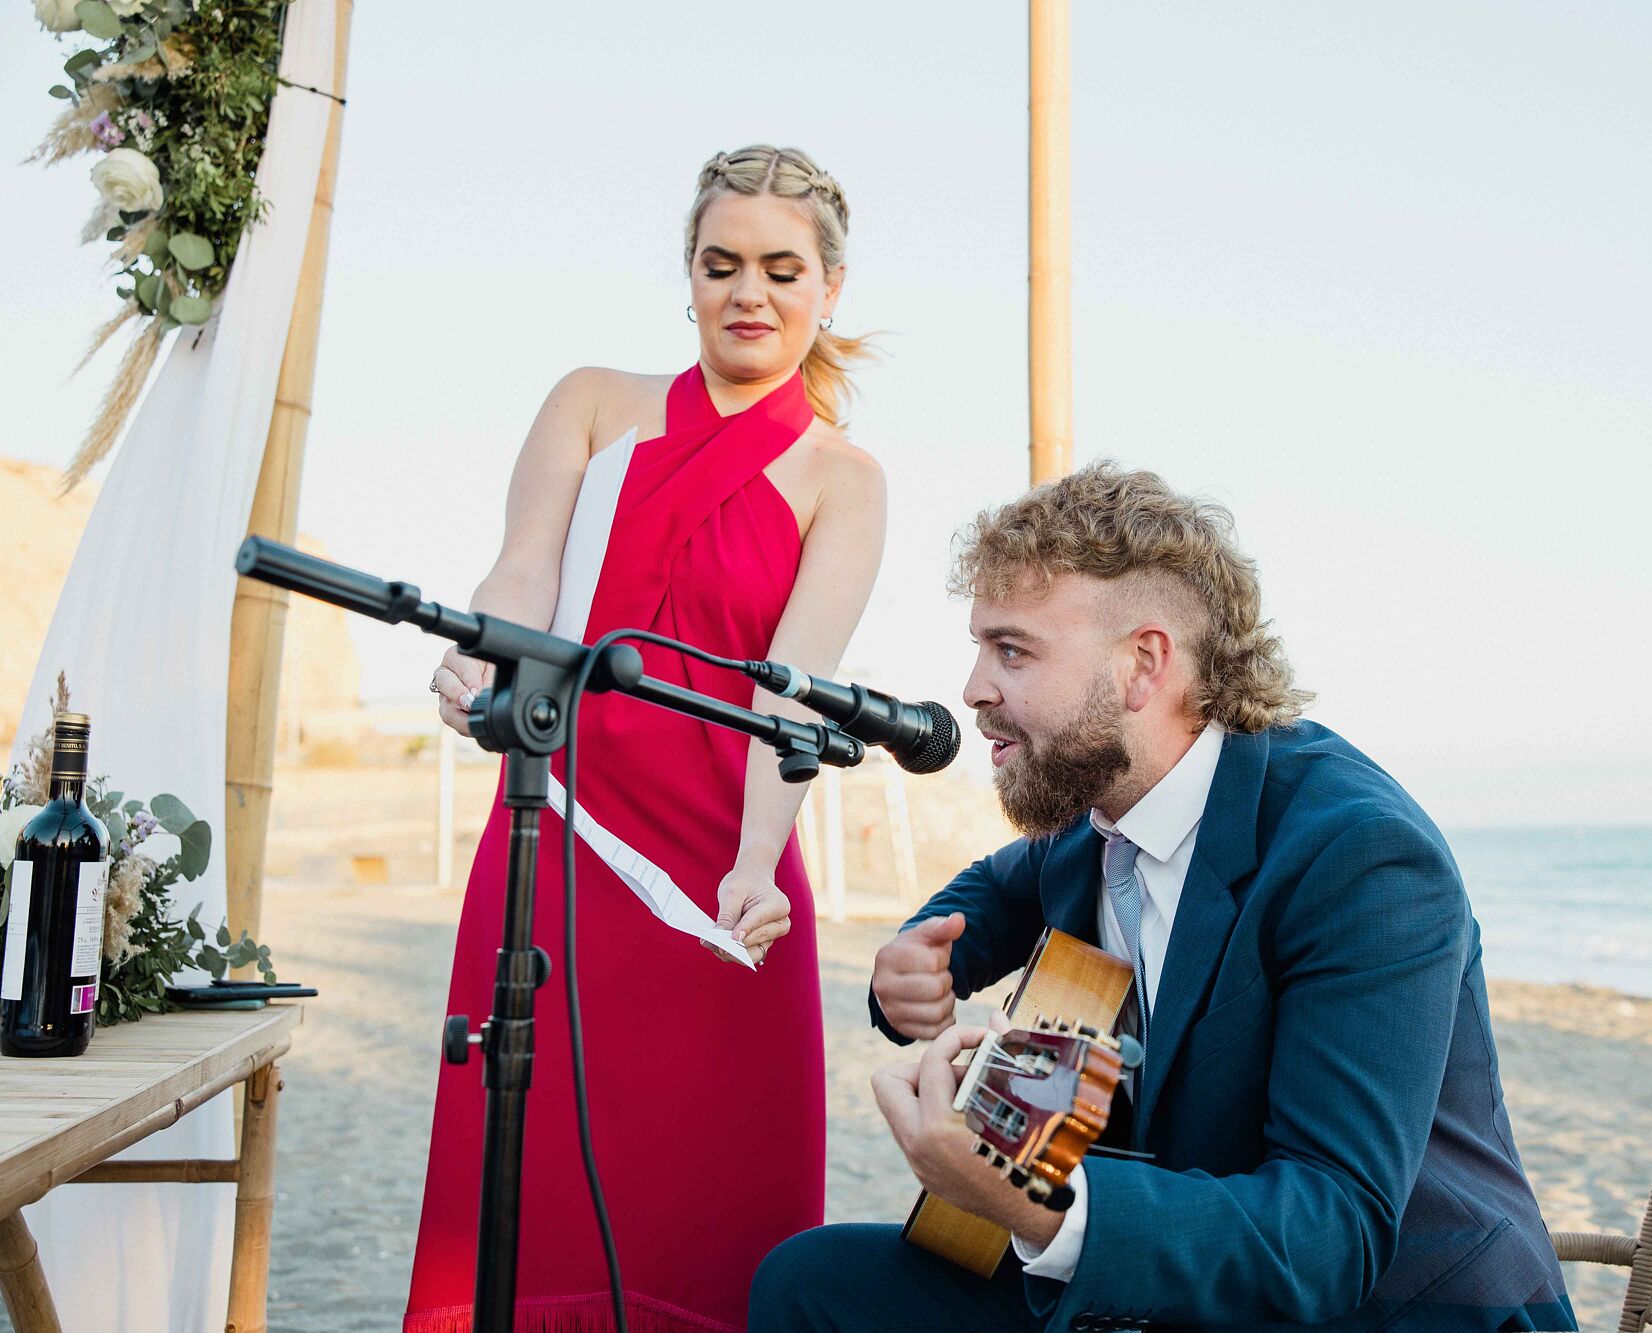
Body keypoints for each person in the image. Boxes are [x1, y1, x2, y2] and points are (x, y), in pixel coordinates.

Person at [751, 464, 1574, 1332]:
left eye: (1013, 649)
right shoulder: (1092, 816)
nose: (973, 689)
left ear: (1144, 664)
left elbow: (1333, 1232)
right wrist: (921, 959)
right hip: (1172, 1275)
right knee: (810, 1284)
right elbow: (997, 885)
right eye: (979, 647)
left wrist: (1035, 1203)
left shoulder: (1359, 855)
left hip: (1376, 1305)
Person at [405, 146, 888, 1333]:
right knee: (525, 1182)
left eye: (781, 269)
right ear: (687, 275)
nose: (748, 293)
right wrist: (482, 652)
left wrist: (753, 858)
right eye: (720, 264)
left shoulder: (845, 477)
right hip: (555, 836)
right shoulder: (590, 400)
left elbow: (799, 691)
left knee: (708, 1205)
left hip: (727, 872)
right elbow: (522, 568)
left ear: (829, 286)